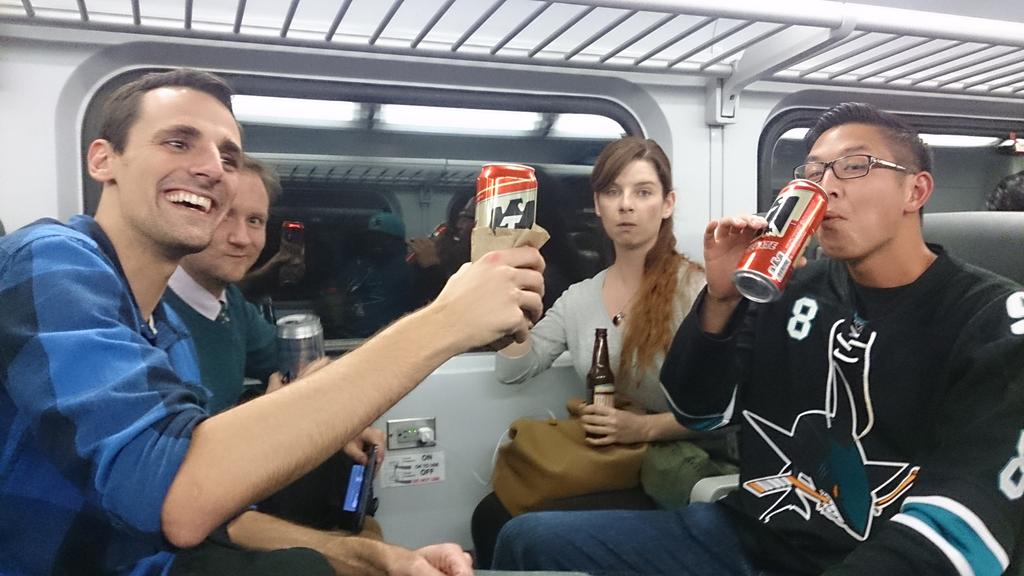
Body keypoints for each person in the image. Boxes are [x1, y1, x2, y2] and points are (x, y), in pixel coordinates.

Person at [0, 68, 544, 575]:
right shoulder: (53, 261)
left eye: (228, 157)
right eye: (178, 142)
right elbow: (173, 495)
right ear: (103, 160)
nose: (212, 168)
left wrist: (366, 557)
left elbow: (213, 510)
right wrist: (446, 321)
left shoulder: (170, 331)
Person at [492, 103, 1024, 576]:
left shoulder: (992, 319)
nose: (826, 186)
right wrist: (721, 300)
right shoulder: (792, 290)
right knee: (525, 538)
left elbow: (965, 523)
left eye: (854, 166)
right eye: (812, 171)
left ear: (916, 190)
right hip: (749, 533)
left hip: (862, 552)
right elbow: (699, 410)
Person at [474, 137, 720, 568]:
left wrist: (641, 428)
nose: (626, 205)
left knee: (519, 529)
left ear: (667, 204)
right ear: (598, 205)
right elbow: (514, 371)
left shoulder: (698, 290)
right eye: (612, 192)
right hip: (613, 459)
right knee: (490, 514)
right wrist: (508, 301)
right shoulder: (579, 298)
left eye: (643, 192)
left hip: (675, 464)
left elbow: (727, 410)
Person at [333, 211, 417, 337]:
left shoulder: (411, 267)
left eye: (382, 238)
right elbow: (338, 293)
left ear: (397, 240)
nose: (375, 243)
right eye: (372, 237)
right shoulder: (359, 265)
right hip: (352, 336)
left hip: (395, 335)